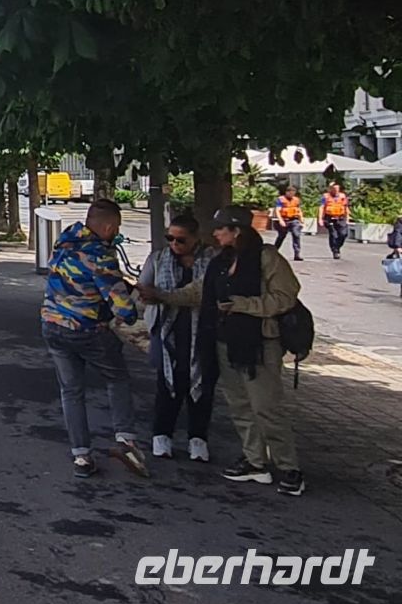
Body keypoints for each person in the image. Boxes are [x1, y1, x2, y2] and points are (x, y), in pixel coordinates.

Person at [140, 205, 304, 496]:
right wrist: (162, 296)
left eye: (220, 229)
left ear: (236, 231)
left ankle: (289, 468)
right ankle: (256, 462)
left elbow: (285, 297)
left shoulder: (267, 258)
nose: (214, 233)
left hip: (259, 344)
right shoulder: (221, 260)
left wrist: (245, 305)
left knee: (267, 407)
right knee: (240, 407)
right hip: (225, 342)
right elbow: (198, 291)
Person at [40, 198, 146, 478]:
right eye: (117, 229)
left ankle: (81, 457)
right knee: (117, 376)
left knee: (71, 391)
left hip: (51, 324)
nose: (116, 234)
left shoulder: (64, 243)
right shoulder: (99, 254)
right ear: (109, 226)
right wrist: (134, 310)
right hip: (85, 328)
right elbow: (120, 306)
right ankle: (126, 439)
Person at [137, 214, 218, 462]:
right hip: (168, 329)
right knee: (168, 384)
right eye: (169, 238)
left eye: (181, 239)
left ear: (196, 238)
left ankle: (198, 438)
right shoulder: (159, 259)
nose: (174, 244)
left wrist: (164, 295)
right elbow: (142, 288)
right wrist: (146, 297)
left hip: (204, 329)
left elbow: (209, 293)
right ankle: (162, 436)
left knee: (203, 385)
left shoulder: (212, 260)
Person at [317, 182, 351, 259]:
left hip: (341, 217)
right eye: (334, 189)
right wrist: (320, 219)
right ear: (330, 189)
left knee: (343, 234)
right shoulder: (325, 197)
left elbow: (345, 207)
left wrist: (348, 217)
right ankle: (335, 251)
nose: (336, 191)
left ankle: (337, 247)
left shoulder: (342, 196)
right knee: (333, 234)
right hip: (329, 218)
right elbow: (321, 207)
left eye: (337, 189)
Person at [272, 185, 303, 261]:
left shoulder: (296, 200)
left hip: (294, 220)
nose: (292, 194)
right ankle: (274, 251)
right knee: (281, 236)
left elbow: (299, 210)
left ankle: (297, 254)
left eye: (293, 192)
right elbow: (277, 210)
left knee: (296, 235)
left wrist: (301, 219)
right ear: (287, 192)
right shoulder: (281, 200)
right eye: (290, 192)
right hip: (284, 219)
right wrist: (281, 220)